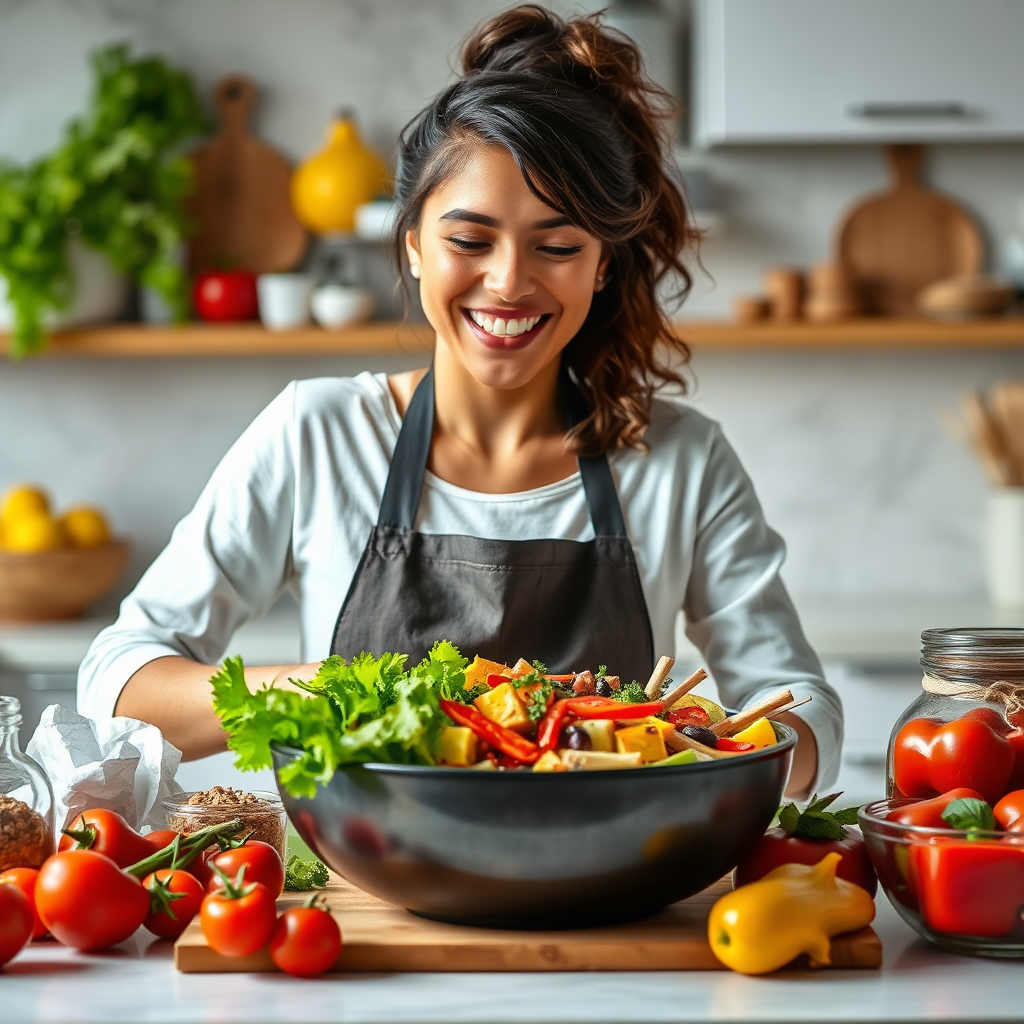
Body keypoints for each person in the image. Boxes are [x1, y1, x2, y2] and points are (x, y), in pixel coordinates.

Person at [78, 5, 841, 795]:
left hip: (620, 895)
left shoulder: (681, 461)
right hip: (369, 896)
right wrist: (324, 690)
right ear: (412, 247)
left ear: (604, 266)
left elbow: (804, 707)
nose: (509, 281)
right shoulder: (319, 434)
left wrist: (683, 737)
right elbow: (116, 682)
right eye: (469, 241)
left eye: (557, 246)